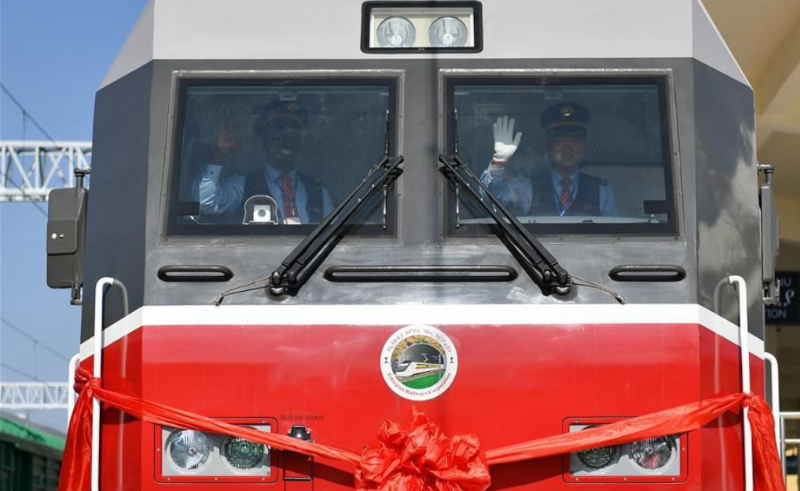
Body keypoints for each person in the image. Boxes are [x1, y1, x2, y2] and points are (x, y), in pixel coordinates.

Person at [194, 100, 333, 224]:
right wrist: (220, 153)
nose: (285, 141)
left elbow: (333, 233)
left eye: (292, 134)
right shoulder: (244, 184)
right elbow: (206, 204)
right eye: (277, 133)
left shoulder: (318, 191)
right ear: (265, 141)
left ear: (300, 143)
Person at [480, 102, 616, 217]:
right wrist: (499, 161)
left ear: (584, 144)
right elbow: (486, 198)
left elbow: (613, 233)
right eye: (559, 139)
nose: (567, 148)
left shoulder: (600, 190)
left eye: (575, 139)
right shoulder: (526, 187)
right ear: (546, 143)